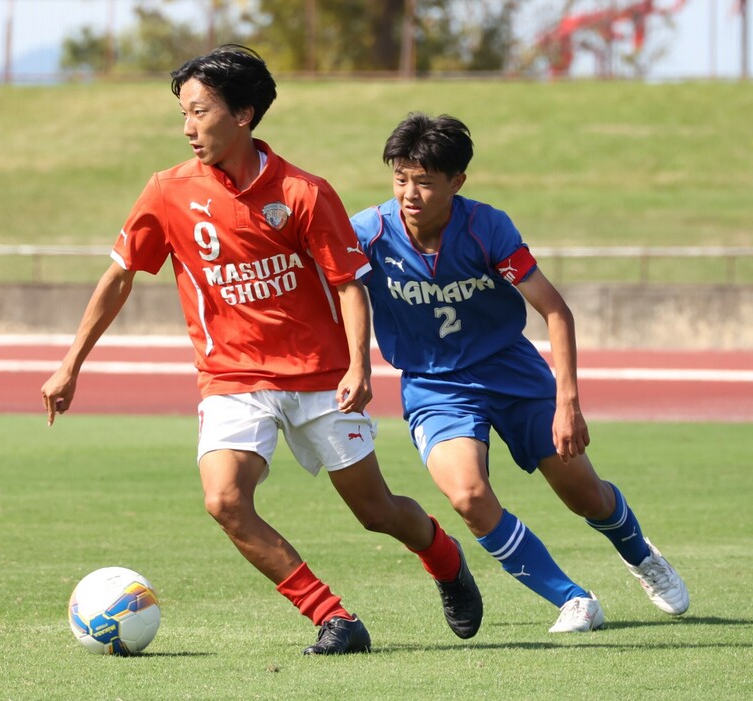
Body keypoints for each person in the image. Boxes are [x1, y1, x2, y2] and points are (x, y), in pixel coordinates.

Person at [40, 49, 482, 655]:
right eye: (183, 114)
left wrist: (359, 365)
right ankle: (334, 619)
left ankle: (444, 555)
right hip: (232, 378)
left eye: (200, 112)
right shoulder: (167, 192)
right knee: (224, 499)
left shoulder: (304, 192)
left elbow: (349, 285)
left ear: (244, 114)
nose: (188, 127)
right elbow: (119, 275)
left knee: (376, 511)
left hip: (321, 377)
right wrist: (71, 364)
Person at [350, 112, 689, 633]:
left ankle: (642, 556)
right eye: (400, 178)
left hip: (512, 372)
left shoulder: (488, 227)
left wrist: (567, 402)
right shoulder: (368, 234)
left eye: (424, 181)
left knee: (586, 496)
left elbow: (555, 310)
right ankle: (573, 599)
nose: (409, 193)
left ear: (456, 182)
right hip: (434, 385)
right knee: (467, 496)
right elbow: (334, 286)